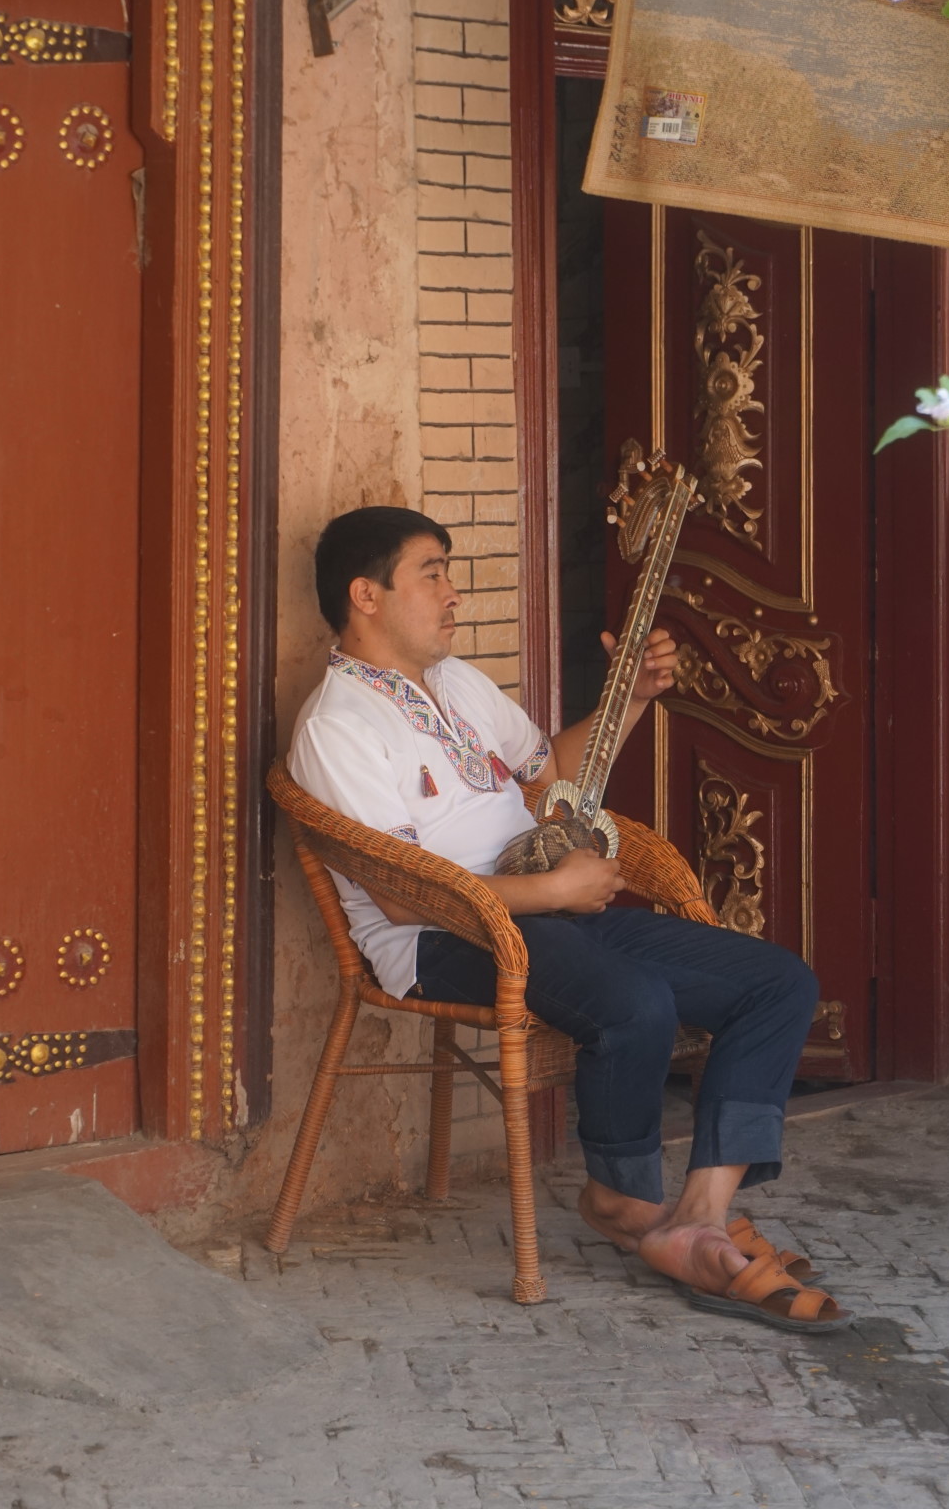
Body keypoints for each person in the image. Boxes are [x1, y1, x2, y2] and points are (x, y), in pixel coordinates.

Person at [288, 505, 849, 1331]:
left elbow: (549, 769)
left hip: (551, 905)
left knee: (777, 983)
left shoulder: (457, 683)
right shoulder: (337, 726)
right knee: (633, 1003)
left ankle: (699, 1213)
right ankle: (623, 1202)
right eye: (431, 574)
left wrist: (634, 700)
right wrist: (554, 894)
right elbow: (404, 896)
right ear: (365, 595)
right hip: (441, 938)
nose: (453, 593)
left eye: (449, 572)